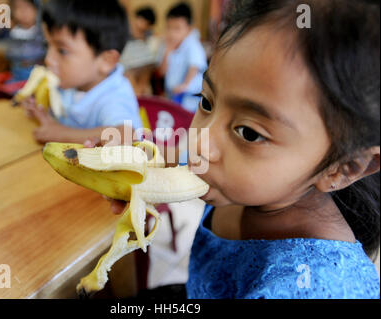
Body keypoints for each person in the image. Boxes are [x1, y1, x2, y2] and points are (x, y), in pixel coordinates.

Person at [96, 0, 380, 299]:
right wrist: (132, 161)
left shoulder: (316, 287)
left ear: (345, 167)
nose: (200, 142)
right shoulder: (243, 183)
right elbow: (176, 152)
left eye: (249, 133)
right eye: (206, 102)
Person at [23, 0, 142, 144]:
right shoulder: (72, 83)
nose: (48, 59)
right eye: (47, 45)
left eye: (62, 50)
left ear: (106, 61)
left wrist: (61, 134)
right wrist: (43, 114)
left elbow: (127, 136)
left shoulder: (113, 96)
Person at [158, 3, 207, 113]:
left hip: (189, 97)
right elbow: (161, 72)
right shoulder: (165, 45)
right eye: (169, 27)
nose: (172, 33)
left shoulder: (192, 44)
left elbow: (194, 65)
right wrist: (167, 52)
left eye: (177, 28)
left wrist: (185, 85)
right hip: (173, 96)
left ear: (189, 29)